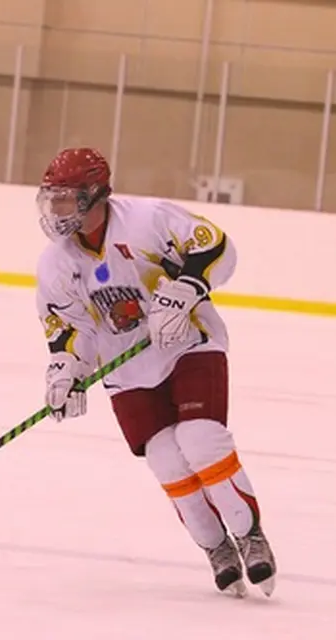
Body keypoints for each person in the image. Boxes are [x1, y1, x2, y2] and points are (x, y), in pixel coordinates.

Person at [35, 147, 276, 597]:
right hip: (127, 369)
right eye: (53, 199)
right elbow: (69, 327)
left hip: (189, 344)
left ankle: (250, 535)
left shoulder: (148, 220)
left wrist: (187, 288)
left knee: (201, 440)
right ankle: (216, 546)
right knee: (166, 459)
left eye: (67, 198)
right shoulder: (55, 262)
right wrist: (66, 369)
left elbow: (215, 245)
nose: (57, 209)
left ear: (95, 194)